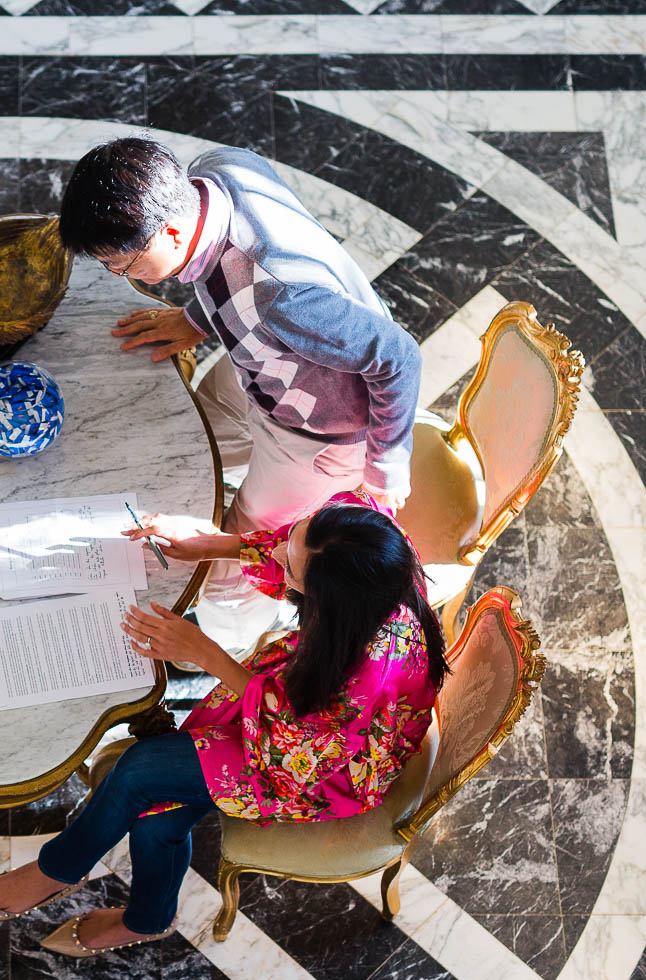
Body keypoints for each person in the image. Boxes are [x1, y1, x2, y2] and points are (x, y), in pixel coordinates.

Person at [0, 493, 446, 955]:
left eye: (290, 570)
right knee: (158, 810)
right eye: (296, 532)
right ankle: (146, 918)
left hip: (324, 763)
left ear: (333, 604)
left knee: (141, 771)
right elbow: (297, 545)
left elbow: (296, 754)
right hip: (295, 704)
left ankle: (55, 870)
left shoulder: (372, 671)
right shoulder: (366, 538)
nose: (276, 555)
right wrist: (209, 544)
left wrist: (205, 654)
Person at [56, 137, 422, 650]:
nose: (123, 275)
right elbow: (225, 266)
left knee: (231, 565)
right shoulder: (215, 171)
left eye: (128, 266)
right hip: (263, 370)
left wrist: (385, 467)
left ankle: (230, 643)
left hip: (318, 434)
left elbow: (399, 357)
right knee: (182, 440)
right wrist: (195, 318)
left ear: (174, 230)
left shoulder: (282, 297)